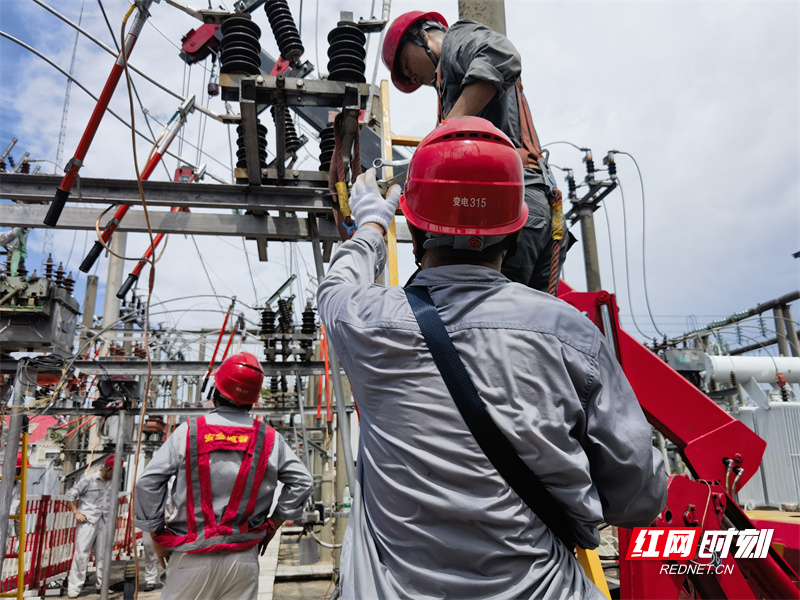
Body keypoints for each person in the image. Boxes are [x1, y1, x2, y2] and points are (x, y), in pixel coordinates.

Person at [317, 117, 667, 599]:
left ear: (415, 232)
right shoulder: (570, 333)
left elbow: (336, 285)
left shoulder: (365, 322)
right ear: (515, 232)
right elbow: (640, 498)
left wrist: (373, 223)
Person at [382, 12, 572, 292]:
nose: (413, 76)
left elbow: (501, 54)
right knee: (532, 326)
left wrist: (444, 134)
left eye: (407, 65)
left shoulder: (457, 40)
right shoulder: (456, 84)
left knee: (486, 318)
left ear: (422, 35)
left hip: (509, 212)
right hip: (538, 208)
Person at [134, 352, 313, 600]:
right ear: (253, 399)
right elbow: (302, 482)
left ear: (217, 389)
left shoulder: (189, 432)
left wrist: (157, 536)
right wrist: (274, 525)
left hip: (190, 554)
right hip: (243, 559)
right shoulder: (269, 438)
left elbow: (148, 482)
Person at [65, 455, 115, 598]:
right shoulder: (89, 479)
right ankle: (74, 588)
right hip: (87, 521)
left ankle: (102, 586)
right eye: (113, 471)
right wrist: (76, 512)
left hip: (104, 521)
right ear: (107, 468)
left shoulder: (113, 482)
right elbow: (71, 495)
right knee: (81, 554)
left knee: (103, 555)